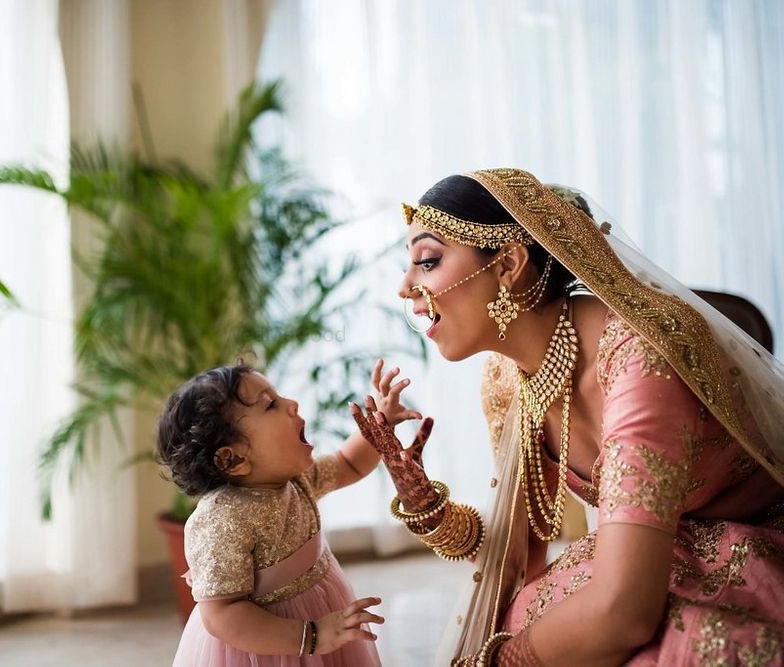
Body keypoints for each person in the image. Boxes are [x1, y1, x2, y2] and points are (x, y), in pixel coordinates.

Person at [351, 168, 784, 665]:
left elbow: (625, 612)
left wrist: (499, 662)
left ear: (509, 263)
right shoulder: (507, 380)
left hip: (752, 551)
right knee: (533, 612)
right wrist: (423, 502)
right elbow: (515, 558)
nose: (404, 287)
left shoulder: (636, 360)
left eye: (427, 261)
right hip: (663, 556)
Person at [158, 363, 422, 665]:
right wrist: (312, 636)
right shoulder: (221, 520)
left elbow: (349, 463)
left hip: (322, 612)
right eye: (271, 405)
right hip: (268, 644)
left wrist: (379, 427)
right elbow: (222, 614)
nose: (291, 403)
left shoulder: (296, 479)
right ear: (232, 459)